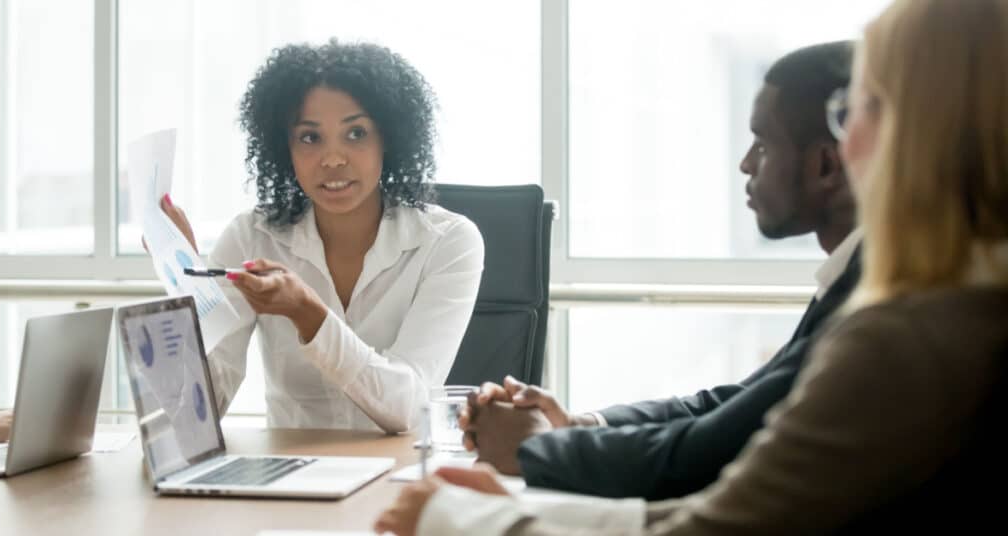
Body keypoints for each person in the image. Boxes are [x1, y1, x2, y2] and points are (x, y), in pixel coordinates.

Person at [375, 0, 1008, 533]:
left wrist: (468, 517)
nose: (849, 142)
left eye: (858, 107)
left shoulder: (913, 331)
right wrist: (554, 461)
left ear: (920, 129)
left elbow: (717, 511)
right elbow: (749, 450)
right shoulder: (951, 301)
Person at [459, 41, 859, 500]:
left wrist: (540, 448)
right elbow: (734, 406)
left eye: (763, 143)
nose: (746, 163)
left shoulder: (871, 298)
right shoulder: (851, 276)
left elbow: (708, 454)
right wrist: (580, 424)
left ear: (826, 164)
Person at [159, 41, 484, 433]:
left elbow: (407, 407)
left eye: (356, 133)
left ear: (389, 139)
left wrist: (309, 314)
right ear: (285, 148)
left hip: (401, 477)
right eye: (310, 138)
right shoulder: (251, 237)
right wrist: (188, 282)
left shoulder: (447, 242)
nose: (332, 159)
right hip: (289, 477)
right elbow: (196, 412)